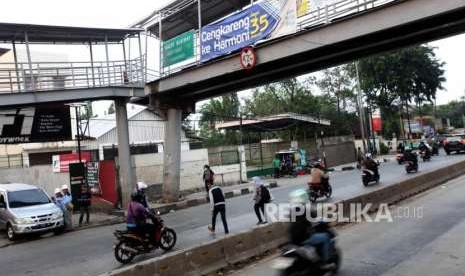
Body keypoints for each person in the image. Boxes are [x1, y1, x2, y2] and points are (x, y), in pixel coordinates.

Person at [288, 189, 334, 270]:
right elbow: (316, 219)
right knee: (326, 236)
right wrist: (326, 220)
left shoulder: (291, 211)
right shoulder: (306, 210)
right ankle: (325, 262)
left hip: (293, 240)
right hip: (305, 238)